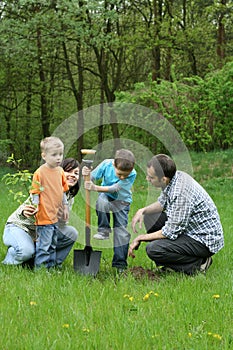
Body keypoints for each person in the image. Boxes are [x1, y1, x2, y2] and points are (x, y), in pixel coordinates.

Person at [128, 154, 224, 275]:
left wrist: (140, 237)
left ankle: (198, 264)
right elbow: (163, 203)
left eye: (151, 177)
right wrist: (142, 210)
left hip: (203, 239)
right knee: (151, 217)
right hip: (190, 230)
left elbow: (170, 232)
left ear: (164, 179)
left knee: (154, 249)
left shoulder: (181, 194)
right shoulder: (174, 177)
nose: (147, 179)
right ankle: (175, 264)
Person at [2, 157, 80, 268]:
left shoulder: (69, 197)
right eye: (68, 171)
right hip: (21, 227)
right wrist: (24, 211)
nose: (73, 175)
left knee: (71, 233)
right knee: (26, 251)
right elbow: (27, 207)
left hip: (43, 231)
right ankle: (11, 259)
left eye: (76, 173)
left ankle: (51, 265)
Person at [84, 149, 137, 271]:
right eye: (119, 174)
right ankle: (104, 230)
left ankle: (120, 264)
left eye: (125, 175)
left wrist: (95, 187)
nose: (123, 177)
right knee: (102, 201)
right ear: (114, 165)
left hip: (122, 202)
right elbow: (92, 177)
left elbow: (115, 188)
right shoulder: (106, 164)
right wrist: (86, 173)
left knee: (121, 232)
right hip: (106, 196)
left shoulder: (133, 173)